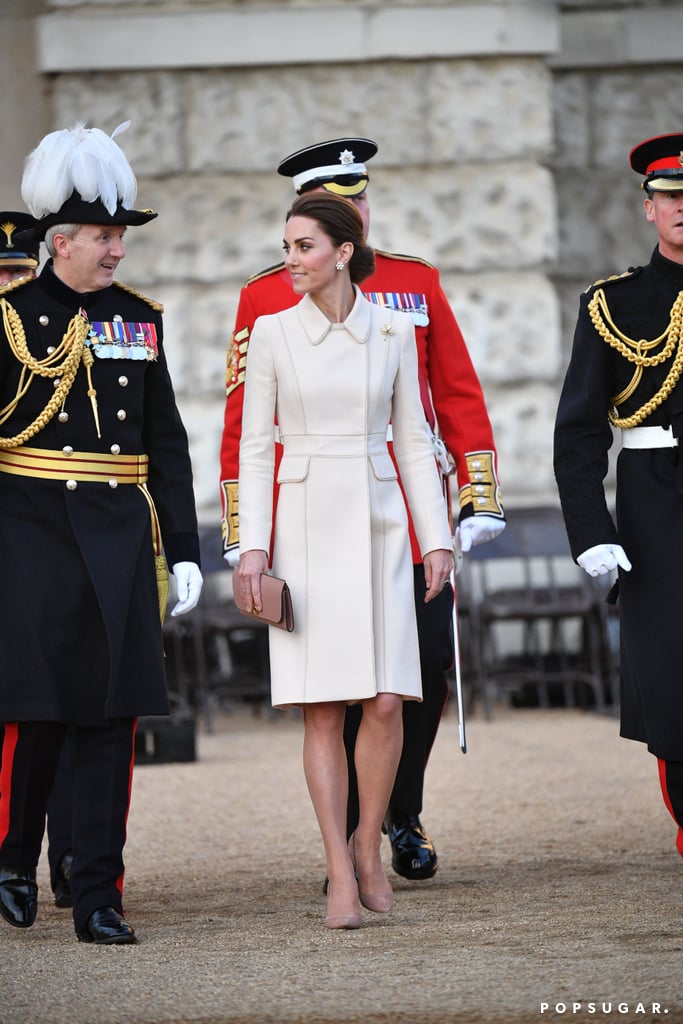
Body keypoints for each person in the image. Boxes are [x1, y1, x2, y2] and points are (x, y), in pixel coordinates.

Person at [220, 138, 505, 881]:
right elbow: (241, 429)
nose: (358, 211)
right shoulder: (262, 298)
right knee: (334, 687)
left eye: (362, 197)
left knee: (423, 674)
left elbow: (454, 393)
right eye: (339, 201)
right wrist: (244, 533)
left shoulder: (413, 282)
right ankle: (349, 838)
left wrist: (475, 497)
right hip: (308, 513)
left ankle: (399, 814)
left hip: (399, 513)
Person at [0, 122, 203, 945]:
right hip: (28, 532)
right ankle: (13, 860)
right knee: (37, 712)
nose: (118, 250)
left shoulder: (140, 320)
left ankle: (97, 894)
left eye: (121, 236)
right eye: (106, 237)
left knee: (110, 718)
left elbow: (167, 442)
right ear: (61, 243)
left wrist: (186, 550)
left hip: (119, 535)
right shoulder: (10, 317)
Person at [236, 191, 454, 928]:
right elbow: (255, 447)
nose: (290, 259)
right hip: (299, 525)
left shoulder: (394, 330)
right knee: (323, 709)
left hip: (379, 520)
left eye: (303, 246)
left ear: (342, 251)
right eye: (288, 244)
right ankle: (337, 869)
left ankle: (369, 844)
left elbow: (416, 439)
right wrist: (252, 547)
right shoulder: (269, 332)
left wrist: (436, 538)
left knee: (387, 700)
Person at [554, 131, 683, 862]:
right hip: (655, 505)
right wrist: (590, 530)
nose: (678, 210)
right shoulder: (613, 304)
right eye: (668, 198)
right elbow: (577, 433)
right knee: (670, 676)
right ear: (647, 209)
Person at [0, 209, 75, 909]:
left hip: (48, 547)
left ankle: (61, 859)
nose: (8, 288)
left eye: (17, 274)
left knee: (54, 708)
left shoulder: (64, 336)